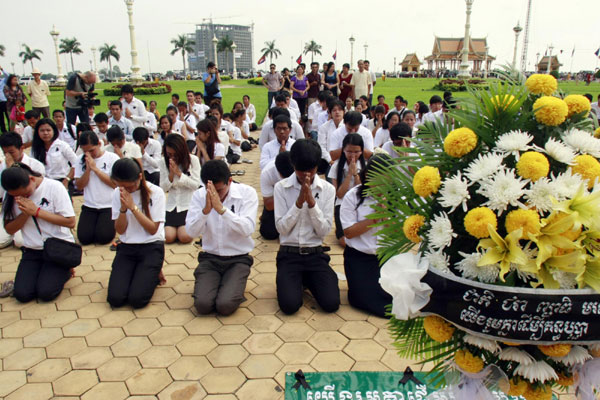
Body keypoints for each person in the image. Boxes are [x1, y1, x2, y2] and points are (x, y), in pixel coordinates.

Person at [274, 139, 339, 314]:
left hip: (315, 255)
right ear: (292, 164)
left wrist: (312, 204)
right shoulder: (282, 188)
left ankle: (308, 279)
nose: (305, 175)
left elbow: (324, 231)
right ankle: (295, 280)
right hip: (289, 254)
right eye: (300, 170)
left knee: (331, 303)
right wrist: (298, 204)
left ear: (317, 166)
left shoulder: (327, 189)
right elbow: (281, 228)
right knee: (289, 306)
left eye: (310, 169)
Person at [185, 160, 258, 315]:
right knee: (202, 305)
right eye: (210, 190)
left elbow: (247, 229)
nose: (214, 195)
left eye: (219, 190)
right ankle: (218, 284)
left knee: (225, 306)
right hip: (210, 258)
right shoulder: (199, 195)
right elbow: (190, 232)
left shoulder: (247, 193)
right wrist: (205, 211)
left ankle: (233, 285)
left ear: (230, 181)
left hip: (238, 258)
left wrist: (222, 210)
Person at [1, 164, 76, 302]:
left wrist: (36, 212)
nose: (22, 196)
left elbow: (70, 222)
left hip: (57, 248)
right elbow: (10, 229)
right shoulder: (11, 195)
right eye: (16, 195)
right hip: (32, 250)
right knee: (22, 294)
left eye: (24, 192)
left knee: (45, 293)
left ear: (31, 179)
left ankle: (65, 270)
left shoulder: (54, 187)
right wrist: (25, 214)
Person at [107, 158, 166, 309]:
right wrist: (122, 209)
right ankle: (139, 273)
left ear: (140, 177)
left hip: (151, 246)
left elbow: (152, 229)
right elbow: (120, 230)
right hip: (127, 247)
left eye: (130, 186)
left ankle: (152, 272)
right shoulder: (117, 193)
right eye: (121, 186)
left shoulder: (156, 193)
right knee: (116, 298)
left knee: (137, 300)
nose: (126, 190)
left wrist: (133, 208)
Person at [340, 154, 392, 317]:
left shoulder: (396, 197)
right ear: (368, 176)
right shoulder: (353, 196)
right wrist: (375, 217)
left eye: (387, 181)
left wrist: (386, 216)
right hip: (359, 257)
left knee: (398, 294)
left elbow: (399, 234)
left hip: (386, 258)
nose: (382, 186)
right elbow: (348, 233)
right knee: (361, 298)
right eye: (378, 180)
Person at [74, 131, 119, 245]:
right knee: (84, 238)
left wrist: (96, 169)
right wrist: (88, 170)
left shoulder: (112, 158)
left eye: (91, 150)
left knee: (103, 237)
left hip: (108, 205)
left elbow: (114, 184)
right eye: (85, 151)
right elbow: (79, 185)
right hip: (90, 205)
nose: (89, 154)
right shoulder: (80, 160)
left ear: (99, 144)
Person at [157, 134, 200, 244]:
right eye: (169, 154)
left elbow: (195, 185)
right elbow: (163, 188)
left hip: (188, 205)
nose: (172, 157)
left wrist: (179, 173)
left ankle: (186, 228)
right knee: (168, 237)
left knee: (184, 237)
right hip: (171, 206)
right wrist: (171, 174)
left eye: (175, 154)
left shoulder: (193, 160)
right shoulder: (163, 162)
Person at [328, 133, 365, 247]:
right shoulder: (336, 166)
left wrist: (356, 175)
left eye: (356, 152)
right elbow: (339, 194)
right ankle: (339, 232)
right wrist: (349, 175)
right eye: (349, 151)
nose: (352, 155)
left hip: (360, 203)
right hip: (342, 203)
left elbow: (363, 192)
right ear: (343, 150)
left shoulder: (365, 166)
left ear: (362, 151)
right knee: (345, 242)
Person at [30, 119, 78, 189]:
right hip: (43, 182)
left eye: (48, 130)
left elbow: (76, 163)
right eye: (42, 131)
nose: (45, 133)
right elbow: (32, 166)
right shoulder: (35, 148)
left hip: (62, 181)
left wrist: (67, 179)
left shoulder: (62, 146)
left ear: (54, 131)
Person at [260, 151, 294, 240]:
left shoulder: (302, 168)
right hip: (276, 204)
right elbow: (269, 205)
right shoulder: (267, 173)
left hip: (298, 202)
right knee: (268, 233)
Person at [318, 99, 345, 172]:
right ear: (330, 113)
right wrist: (330, 160)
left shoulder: (347, 126)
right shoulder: (324, 127)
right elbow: (321, 146)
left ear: (344, 112)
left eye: (340, 110)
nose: (337, 112)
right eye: (334, 110)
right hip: (329, 161)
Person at [0, 66, 9, 133]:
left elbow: (8, 76)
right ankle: (4, 131)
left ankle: (10, 130)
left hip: (5, 101)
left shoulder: (3, 81)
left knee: (8, 116)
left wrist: (2, 69)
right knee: (0, 118)